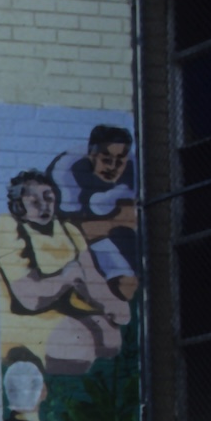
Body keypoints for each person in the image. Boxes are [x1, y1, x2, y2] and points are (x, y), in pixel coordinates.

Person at [0, 168, 129, 377]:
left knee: (111, 338)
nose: (44, 206)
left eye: (48, 198)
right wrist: (69, 276)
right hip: (21, 315)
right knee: (79, 345)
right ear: (19, 206)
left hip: (64, 309)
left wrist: (112, 305)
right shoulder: (8, 228)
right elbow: (29, 299)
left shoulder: (68, 230)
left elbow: (92, 278)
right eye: (34, 201)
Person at [53, 124, 138, 300]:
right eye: (106, 160)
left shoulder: (135, 166)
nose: (113, 167)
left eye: (120, 160)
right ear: (92, 155)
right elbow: (74, 223)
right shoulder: (66, 170)